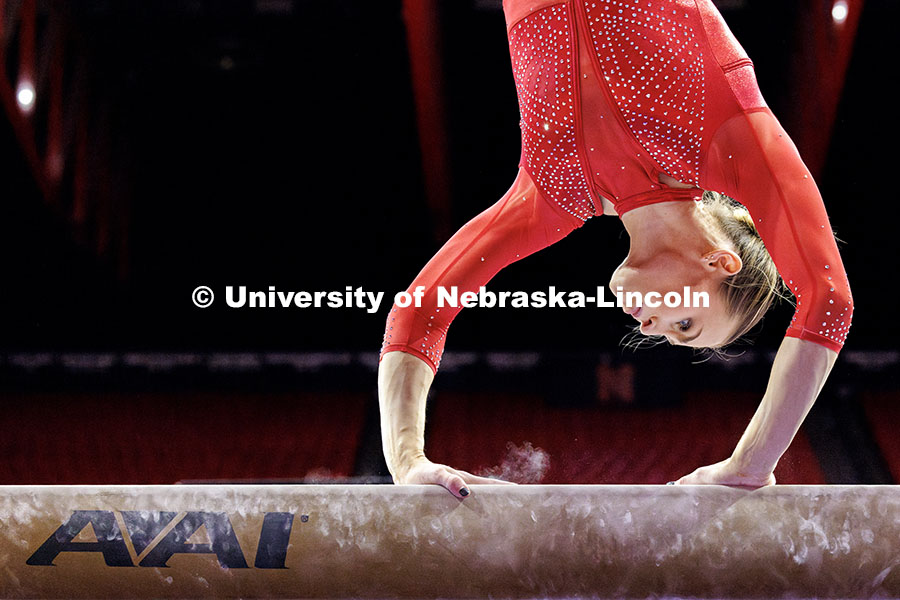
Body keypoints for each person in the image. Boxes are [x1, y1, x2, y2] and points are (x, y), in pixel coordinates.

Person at [378, 0, 852, 498]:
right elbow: (828, 299)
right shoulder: (734, 140)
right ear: (720, 261)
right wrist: (752, 462)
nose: (649, 327)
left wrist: (407, 463)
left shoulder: (551, 194)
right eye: (684, 323)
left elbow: (418, 310)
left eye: (667, 333)